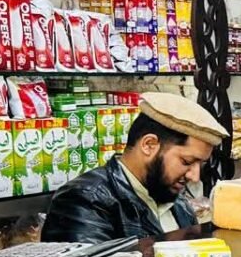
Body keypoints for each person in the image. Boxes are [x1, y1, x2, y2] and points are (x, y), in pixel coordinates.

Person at [43, 93, 227, 243]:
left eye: (200, 164)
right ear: (149, 145)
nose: (195, 176)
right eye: (187, 162)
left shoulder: (178, 204)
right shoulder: (85, 199)